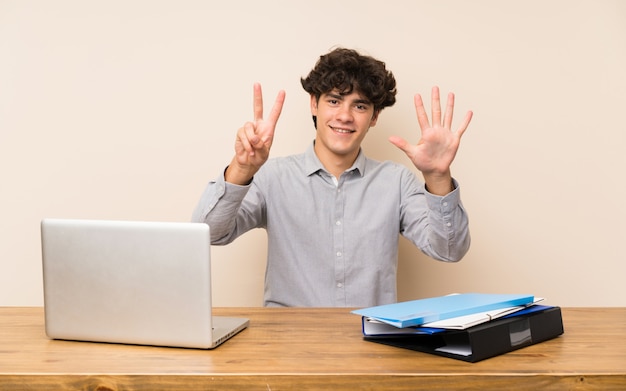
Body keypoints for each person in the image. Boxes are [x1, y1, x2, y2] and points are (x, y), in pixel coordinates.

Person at [192, 47, 473, 307]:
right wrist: (241, 169)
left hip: (371, 344)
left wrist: (438, 177)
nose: (345, 115)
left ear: (374, 117)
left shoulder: (397, 182)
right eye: (334, 100)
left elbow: (449, 250)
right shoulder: (272, 177)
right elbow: (208, 233)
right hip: (288, 348)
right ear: (314, 104)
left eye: (360, 106)